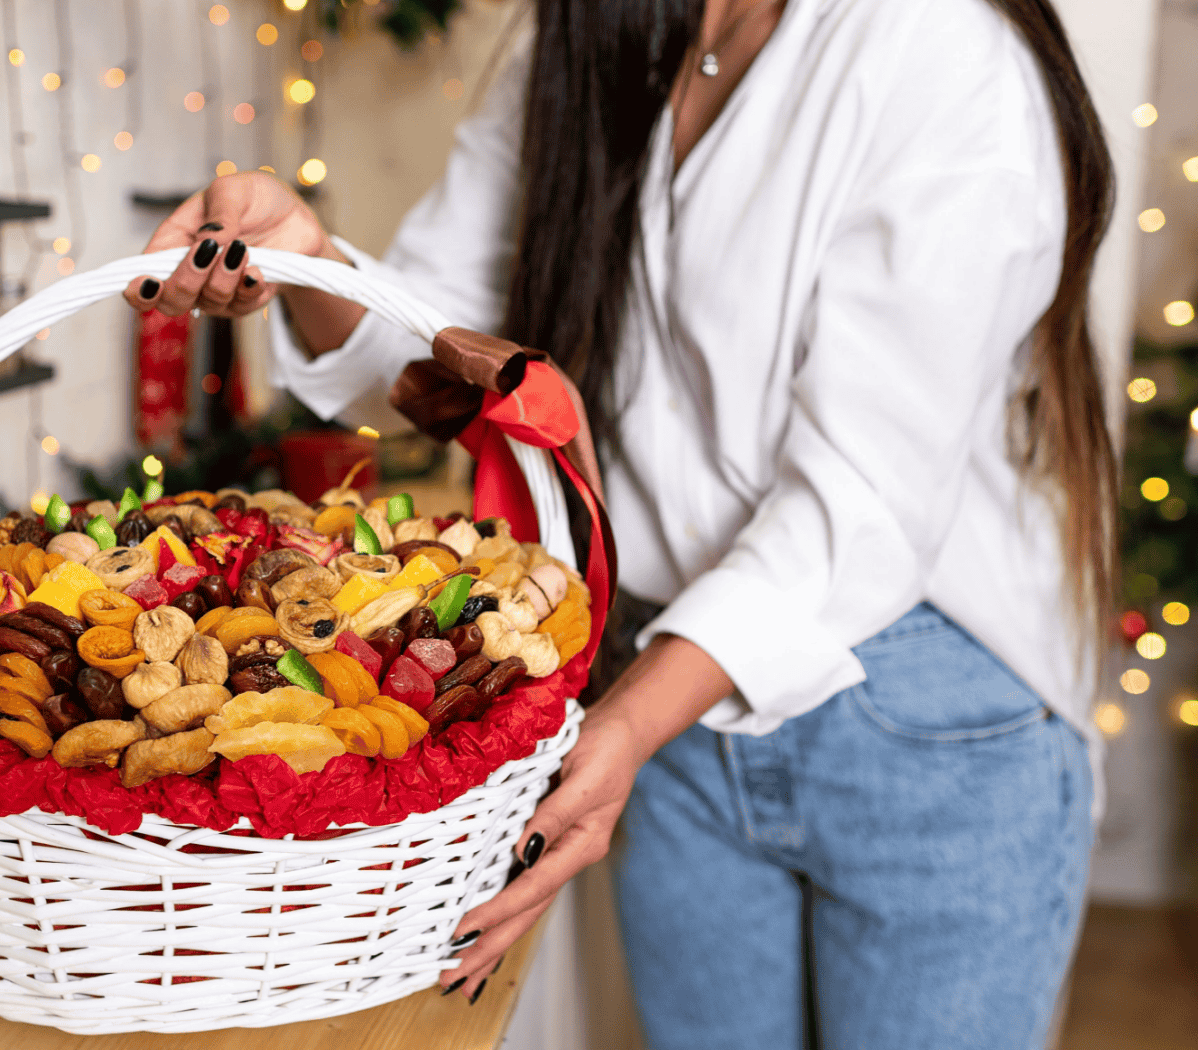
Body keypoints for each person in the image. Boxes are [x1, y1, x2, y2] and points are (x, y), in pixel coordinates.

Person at [123, 0, 1116, 1044]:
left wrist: (626, 722)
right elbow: (443, 355)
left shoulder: (942, 49)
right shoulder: (591, 37)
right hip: (667, 696)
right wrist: (306, 263)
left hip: (920, 717)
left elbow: (863, 500)